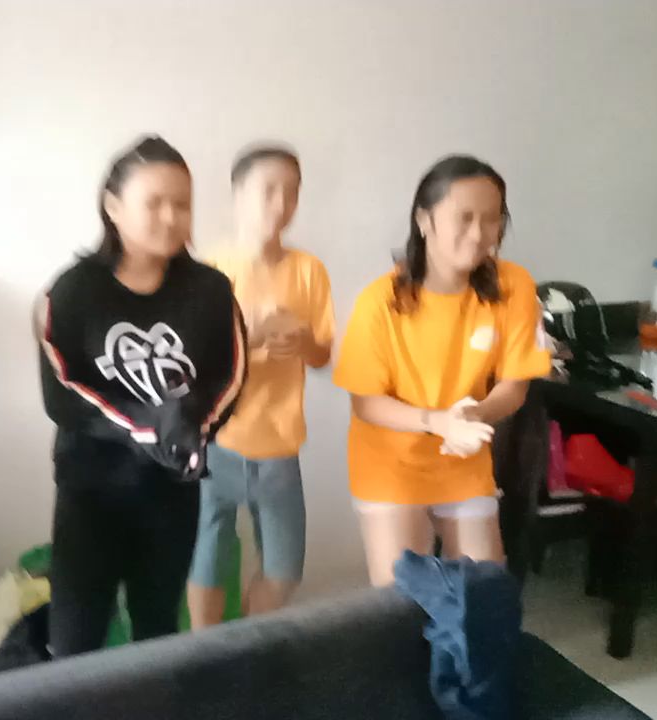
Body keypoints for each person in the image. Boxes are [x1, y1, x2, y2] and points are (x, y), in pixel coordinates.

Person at [35, 136, 247, 656]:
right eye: (154, 203)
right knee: (74, 641)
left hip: (171, 493)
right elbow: (62, 394)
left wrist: (191, 425)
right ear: (113, 207)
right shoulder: (73, 292)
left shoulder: (211, 291)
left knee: (157, 635)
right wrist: (147, 425)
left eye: (182, 204)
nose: (171, 217)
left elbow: (231, 377)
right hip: (90, 494)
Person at [332, 155, 550, 587]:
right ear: (424, 220)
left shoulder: (514, 286)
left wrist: (474, 415)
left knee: (483, 594)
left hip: (463, 464)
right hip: (390, 466)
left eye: (492, 219)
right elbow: (367, 403)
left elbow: (514, 386)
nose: (479, 233)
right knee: (403, 602)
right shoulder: (380, 302)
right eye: (463, 217)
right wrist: (438, 422)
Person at [186, 145, 334, 628]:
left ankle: (245, 642)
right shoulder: (208, 273)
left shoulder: (309, 270)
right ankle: (205, 653)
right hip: (216, 440)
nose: (281, 203)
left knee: (284, 570)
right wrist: (252, 338)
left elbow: (322, 356)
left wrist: (303, 341)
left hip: (278, 444)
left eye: (292, 192)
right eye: (268, 190)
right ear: (238, 195)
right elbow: (192, 365)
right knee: (207, 555)